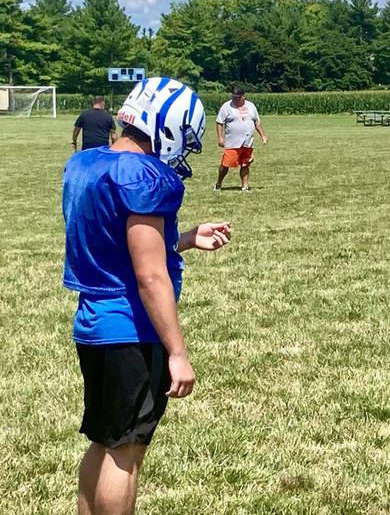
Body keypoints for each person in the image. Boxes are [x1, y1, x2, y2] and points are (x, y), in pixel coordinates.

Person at [62, 77, 233, 515]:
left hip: (93, 324)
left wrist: (187, 238)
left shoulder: (85, 163)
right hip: (131, 330)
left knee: (104, 441)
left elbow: (119, 247)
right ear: (169, 126)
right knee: (127, 452)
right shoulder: (143, 175)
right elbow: (150, 275)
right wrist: (177, 351)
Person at [214, 86, 267, 192]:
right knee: (226, 165)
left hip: (247, 142)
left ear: (243, 96)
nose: (235, 100)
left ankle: (245, 186)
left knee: (245, 164)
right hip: (232, 142)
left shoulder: (251, 106)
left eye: (238, 97)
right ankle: (218, 184)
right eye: (233, 97)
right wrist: (220, 138)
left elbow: (256, 122)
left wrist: (263, 136)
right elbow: (219, 122)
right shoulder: (226, 106)